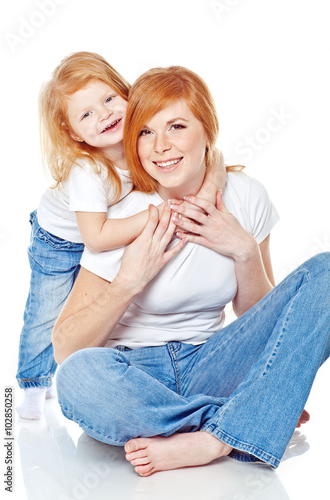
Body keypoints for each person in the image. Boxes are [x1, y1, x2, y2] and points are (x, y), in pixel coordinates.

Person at [53, 66, 330, 477]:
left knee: (326, 272)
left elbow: (266, 323)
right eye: (145, 132)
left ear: (207, 131)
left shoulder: (246, 196)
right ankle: (240, 422)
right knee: (78, 378)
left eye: (177, 126)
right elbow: (65, 349)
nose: (161, 147)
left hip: (214, 363)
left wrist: (245, 252)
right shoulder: (125, 214)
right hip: (133, 375)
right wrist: (129, 281)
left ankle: (212, 440)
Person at [16, 54, 226, 420]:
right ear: (71, 132)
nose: (105, 115)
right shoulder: (88, 171)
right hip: (59, 241)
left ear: (127, 94)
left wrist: (217, 179)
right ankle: (34, 384)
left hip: (96, 229)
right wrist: (151, 217)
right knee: (46, 314)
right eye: (86, 115)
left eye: (110, 99)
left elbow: (209, 157)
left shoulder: (145, 144)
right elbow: (96, 237)